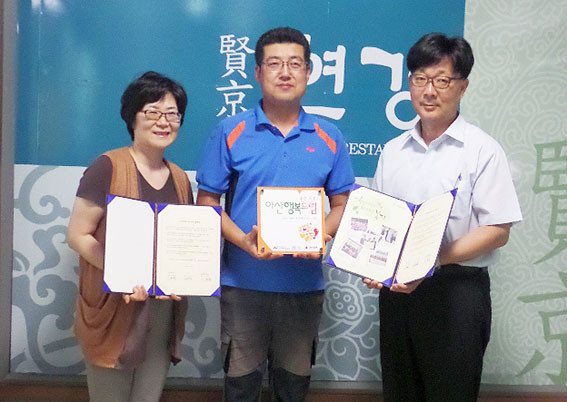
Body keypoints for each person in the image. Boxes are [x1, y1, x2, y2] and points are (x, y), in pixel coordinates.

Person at [196, 27, 355, 402]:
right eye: (274, 64)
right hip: (243, 285)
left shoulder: (329, 136)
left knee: (292, 389)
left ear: (308, 72)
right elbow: (207, 201)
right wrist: (243, 241)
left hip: (303, 287)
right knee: (240, 388)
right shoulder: (230, 131)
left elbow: (343, 205)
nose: (285, 72)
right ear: (257, 72)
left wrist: (320, 234)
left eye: (295, 64)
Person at [363, 33, 523, 401]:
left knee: (451, 393)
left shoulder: (482, 150)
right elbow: (381, 220)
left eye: (442, 80)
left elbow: (498, 230)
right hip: (398, 294)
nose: (429, 91)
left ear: (462, 87)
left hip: (457, 293)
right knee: (400, 391)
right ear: (410, 83)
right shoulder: (393, 151)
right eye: (420, 79)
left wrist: (432, 260)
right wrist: (373, 261)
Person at [66, 71, 191, 402]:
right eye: (152, 112)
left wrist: (184, 275)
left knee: (148, 396)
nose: (163, 122)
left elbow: (184, 244)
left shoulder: (180, 179)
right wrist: (121, 273)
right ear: (132, 116)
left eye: (173, 114)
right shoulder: (107, 167)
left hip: (162, 310)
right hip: (114, 307)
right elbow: (78, 235)